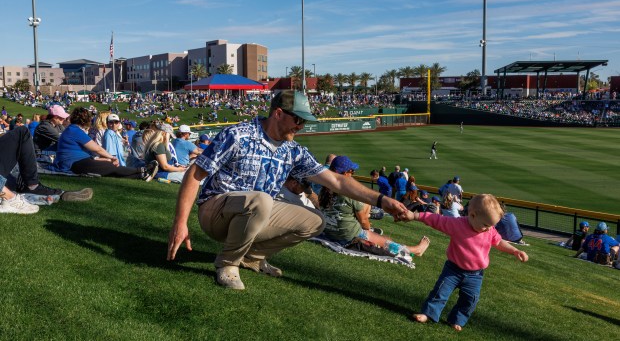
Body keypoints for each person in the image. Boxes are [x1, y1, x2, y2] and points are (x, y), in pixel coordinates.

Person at [166, 90, 409, 291]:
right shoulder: (238, 134)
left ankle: (253, 258)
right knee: (261, 200)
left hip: (254, 212)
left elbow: (337, 182)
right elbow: (195, 173)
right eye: (298, 120)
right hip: (216, 211)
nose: (302, 126)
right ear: (279, 114)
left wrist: (381, 199)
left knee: (315, 220)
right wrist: (181, 222)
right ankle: (228, 264)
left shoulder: (292, 150)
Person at [405, 194, 528, 331]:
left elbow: (499, 242)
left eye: (492, 226)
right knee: (440, 292)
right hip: (453, 270)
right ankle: (427, 313)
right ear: (472, 215)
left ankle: (457, 319)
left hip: (475, 275)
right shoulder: (458, 224)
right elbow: (436, 219)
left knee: (470, 300)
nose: (489, 229)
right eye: (486, 225)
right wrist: (414, 216)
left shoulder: (490, 230)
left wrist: (515, 250)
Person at [319, 155, 430, 258]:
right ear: (346, 173)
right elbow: (363, 222)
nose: (353, 173)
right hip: (347, 236)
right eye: (351, 171)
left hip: (330, 232)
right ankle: (415, 250)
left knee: (381, 237)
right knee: (387, 242)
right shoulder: (349, 192)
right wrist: (367, 228)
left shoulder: (323, 190)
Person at [54, 107, 158, 180]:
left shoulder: (72, 130)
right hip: (73, 164)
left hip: (76, 161)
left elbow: (93, 153)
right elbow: (97, 149)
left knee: (110, 170)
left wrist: (108, 159)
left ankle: (141, 174)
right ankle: (143, 170)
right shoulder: (75, 131)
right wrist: (112, 158)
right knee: (110, 167)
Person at [0, 125, 93, 203]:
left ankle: (35, 187)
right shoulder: (45, 127)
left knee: (21, 134)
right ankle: (31, 187)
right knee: (22, 133)